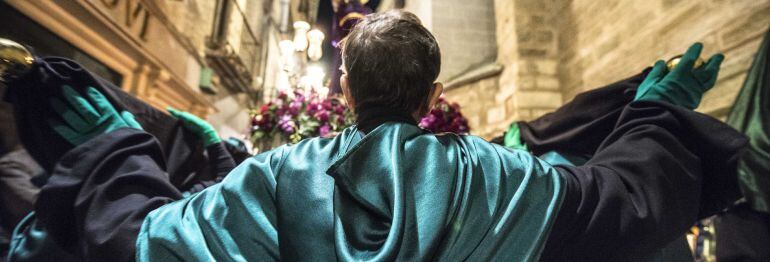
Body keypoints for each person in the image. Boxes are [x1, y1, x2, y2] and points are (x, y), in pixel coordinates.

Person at [10, 10, 744, 261]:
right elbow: (620, 197)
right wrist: (657, 114)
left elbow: (145, 239)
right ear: (434, 93)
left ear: (343, 90)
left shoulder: (273, 179)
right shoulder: (502, 177)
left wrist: (111, 151)